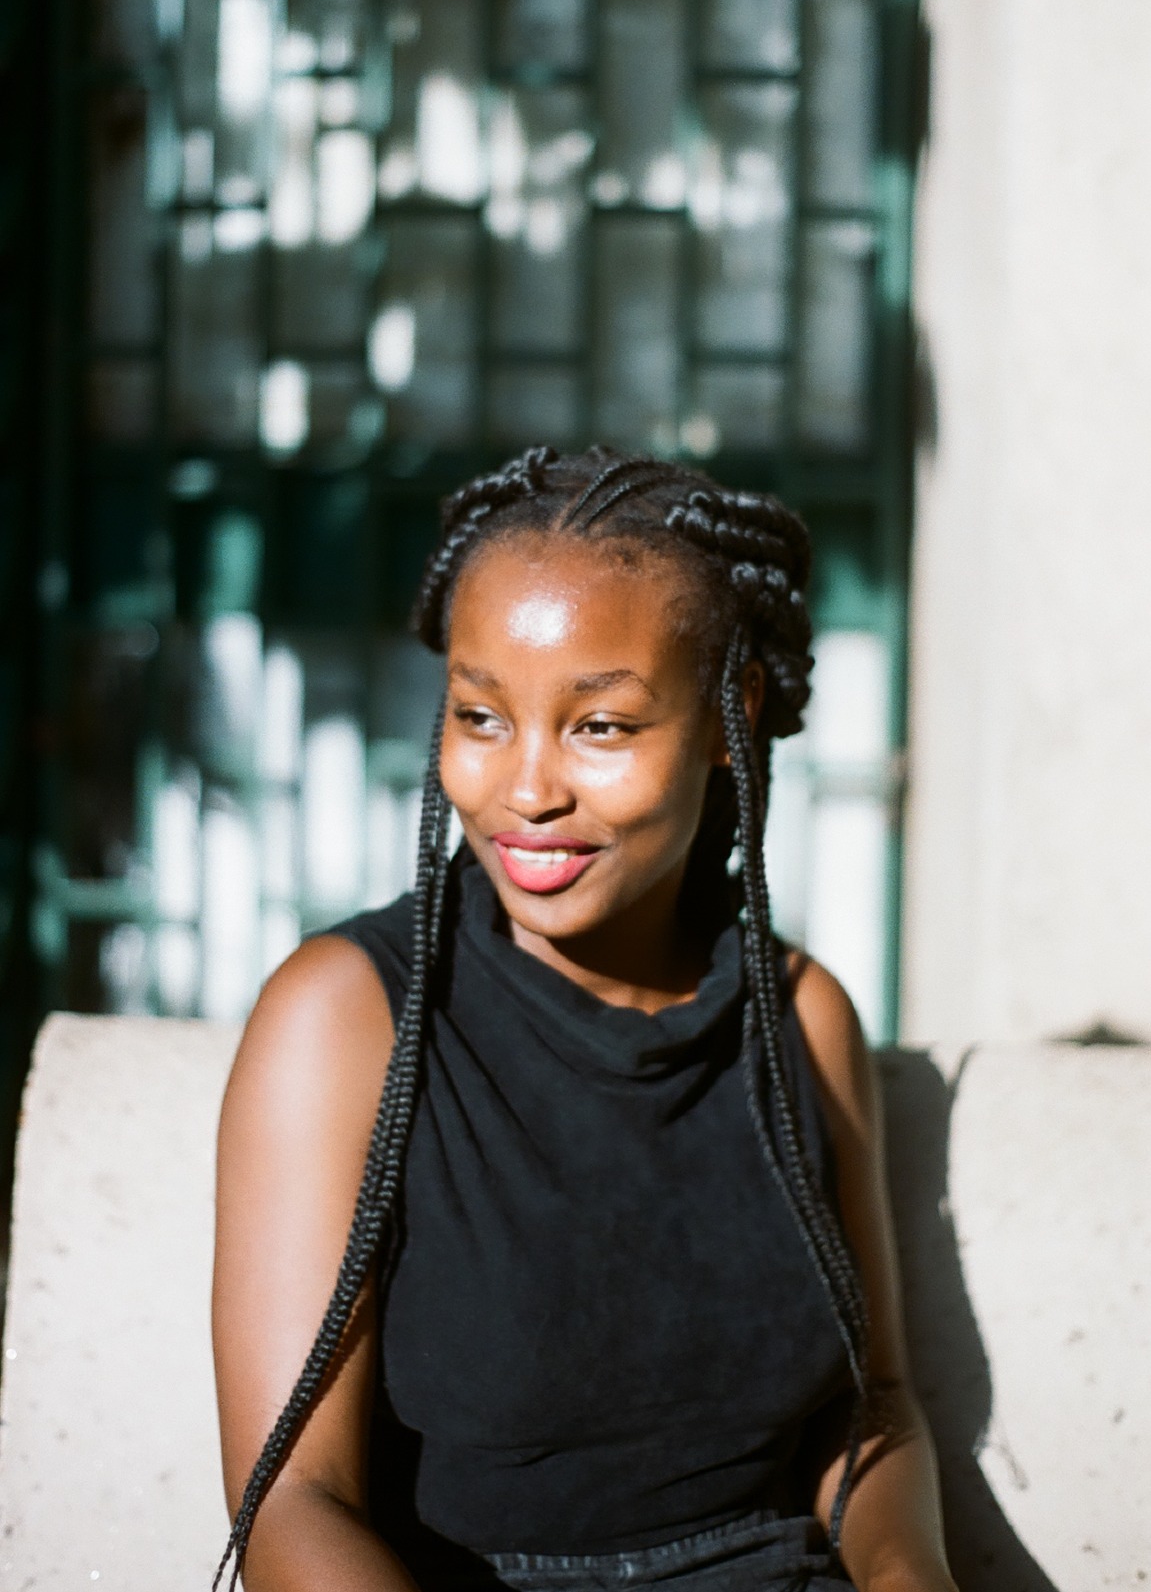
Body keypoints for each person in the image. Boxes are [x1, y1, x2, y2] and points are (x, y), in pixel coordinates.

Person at [212, 447, 959, 1592]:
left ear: (729, 713)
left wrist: (915, 1581)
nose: (524, 788)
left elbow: (873, 1409)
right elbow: (292, 1506)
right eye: (479, 715)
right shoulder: (347, 1016)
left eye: (598, 727)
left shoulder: (796, 1014)